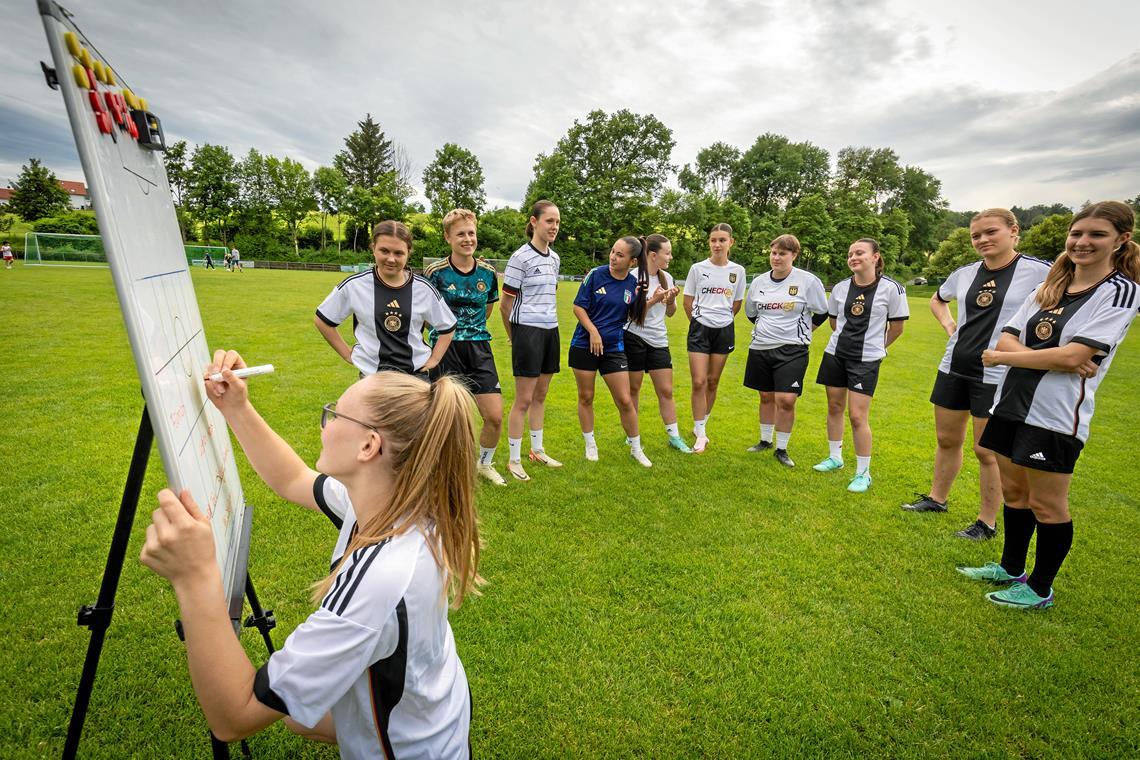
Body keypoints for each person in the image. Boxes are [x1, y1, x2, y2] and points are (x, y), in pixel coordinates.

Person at [139, 351, 481, 757]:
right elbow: (293, 478)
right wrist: (237, 407)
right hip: (431, 711)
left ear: (369, 446)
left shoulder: (379, 578)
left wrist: (194, 578)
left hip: (412, 750)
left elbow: (234, 716)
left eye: (335, 415)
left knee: (292, 711)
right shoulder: (398, 500)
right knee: (299, 715)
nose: (326, 424)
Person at [958, 201, 1138, 610]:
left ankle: (1039, 589)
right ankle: (1010, 566)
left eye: (1096, 235)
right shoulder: (1050, 287)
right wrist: (1046, 355)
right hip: (1010, 401)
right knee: (1016, 492)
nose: (1082, 242)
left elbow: (1071, 358)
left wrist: (1011, 357)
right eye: (1077, 233)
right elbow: (1008, 337)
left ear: (1121, 240)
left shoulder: (1120, 291)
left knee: (1047, 503)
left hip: (1055, 414)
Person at [902, 209, 1050, 541]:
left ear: (1014, 231)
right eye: (975, 235)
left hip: (998, 373)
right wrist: (950, 326)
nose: (982, 240)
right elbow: (938, 300)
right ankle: (937, 499)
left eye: (990, 232)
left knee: (986, 450)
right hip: (955, 365)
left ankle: (986, 522)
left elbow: (1063, 307)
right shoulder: (965, 273)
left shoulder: (1039, 272)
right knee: (946, 440)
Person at [812, 238, 909, 492]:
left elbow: (897, 327)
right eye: (850, 253)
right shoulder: (841, 288)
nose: (853, 257)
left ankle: (863, 473)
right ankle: (835, 457)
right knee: (834, 406)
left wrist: (878, 347)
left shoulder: (892, 289)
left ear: (875, 257)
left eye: (860, 253)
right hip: (835, 354)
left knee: (857, 416)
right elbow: (834, 322)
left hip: (865, 360)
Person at [426, 209, 507, 486]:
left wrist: (469, 331)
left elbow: (487, 310)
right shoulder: (435, 273)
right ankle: (440, 469)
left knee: (494, 416)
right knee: (445, 418)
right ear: (448, 237)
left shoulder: (487, 272)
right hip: (444, 349)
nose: (467, 238)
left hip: (479, 348)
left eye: (471, 233)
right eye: (460, 233)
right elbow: (427, 312)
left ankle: (484, 464)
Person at [315, 220, 456, 377]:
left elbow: (448, 326)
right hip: (372, 376)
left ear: (408, 252)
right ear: (373, 248)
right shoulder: (354, 285)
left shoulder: (423, 289)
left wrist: (435, 359)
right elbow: (323, 320)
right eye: (384, 251)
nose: (391, 259)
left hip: (414, 377)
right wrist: (347, 354)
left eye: (398, 253)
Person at [743, 234, 828, 468]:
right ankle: (765, 440)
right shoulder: (759, 282)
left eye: (782, 253)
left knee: (786, 399)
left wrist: (801, 332)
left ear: (794, 255)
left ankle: (782, 448)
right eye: (773, 253)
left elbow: (821, 312)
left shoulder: (808, 281)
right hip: (760, 347)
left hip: (793, 349)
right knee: (766, 396)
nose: (776, 258)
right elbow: (751, 313)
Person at [570, 236, 651, 466]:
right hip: (584, 345)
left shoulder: (631, 285)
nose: (613, 258)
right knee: (586, 397)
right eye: (613, 252)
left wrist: (643, 296)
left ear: (632, 262)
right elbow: (578, 307)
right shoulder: (596, 275)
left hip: (614, 348)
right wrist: (593, 332)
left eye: (620, 255)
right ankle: (590, 444)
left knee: (625, 400)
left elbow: (634, 317)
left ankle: (636, 448)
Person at [499, 200, 563, 481]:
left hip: (551, 331)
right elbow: (505, 305)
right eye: (549, 221)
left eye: (558, 222)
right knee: (523, 399)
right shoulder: (520, 258)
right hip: (527, 331)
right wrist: (516, 337)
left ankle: (536, 450)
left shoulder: (555, 258)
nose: (554, 227)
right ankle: (513, 460)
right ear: (534, 222)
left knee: (541, 395)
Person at [624, 233, 691, 453]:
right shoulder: (633, 277)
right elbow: (630, 315)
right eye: (667, 253)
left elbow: (670, 313)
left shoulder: (667, 278)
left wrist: (670, 300)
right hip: (633, 338)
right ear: (653, 255)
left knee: (666, 390)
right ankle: (631, 436)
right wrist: (653, 299)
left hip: (658, 340)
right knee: (633, 389)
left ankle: (674, 436)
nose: (670, 256)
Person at [683, 223, 747, 453]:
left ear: (731, 242)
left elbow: (737, 303)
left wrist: (721, 319)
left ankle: (701, 426)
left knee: (712, 381)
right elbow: (687, 301)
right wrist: (700, 321)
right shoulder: (697, 268)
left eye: (722, 240)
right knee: (699, 381)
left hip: (724, 329)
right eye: (713, 240)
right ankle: (701, 434)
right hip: (700, 328)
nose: (717, 244)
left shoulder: (738, 271)